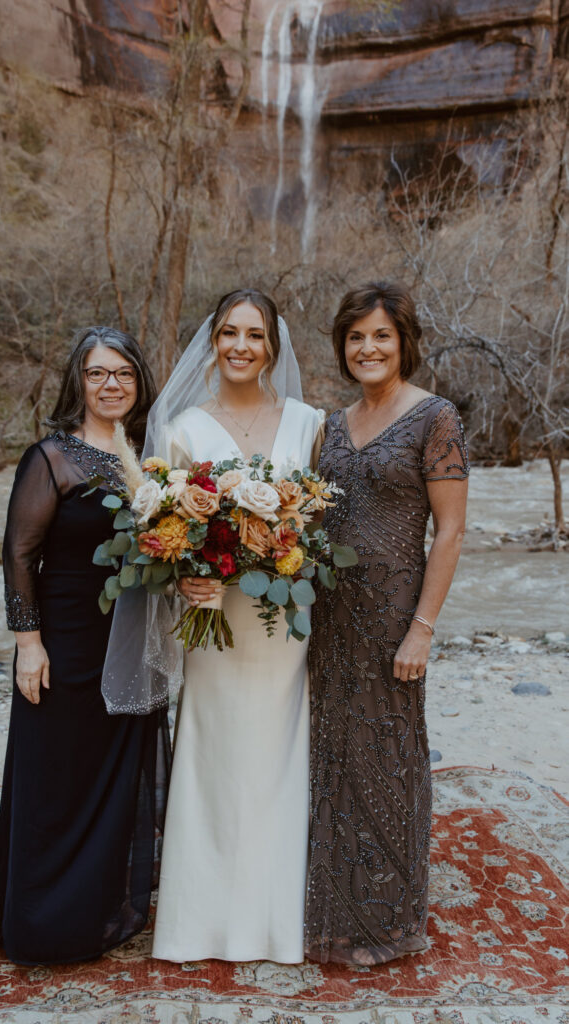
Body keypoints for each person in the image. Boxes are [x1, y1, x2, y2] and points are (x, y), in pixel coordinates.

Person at [104, 289, 324, 963]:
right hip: (212, 619)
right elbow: (159, 533)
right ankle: (195, 924)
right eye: (228, 332)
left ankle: (273, 922)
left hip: (278, 622)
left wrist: (288, 553)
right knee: (214, 754)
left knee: (275, 761)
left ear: (273, 348)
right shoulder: (183, 428)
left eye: (254, 335)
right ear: (213, 341)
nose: (239, 345)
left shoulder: (310, 421)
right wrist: (183, 573)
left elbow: (321, 522)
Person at [0, 326, 169, 965]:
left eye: (122, 373)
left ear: (138, 382)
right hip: (65, 642)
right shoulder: (51, 458)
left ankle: (99, 906)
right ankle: (42, 923)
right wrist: (27, 644)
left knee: (115, 779)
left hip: (131, 642)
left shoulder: (147, 458)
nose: (111, 384)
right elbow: (19, 553)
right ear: (79, 382)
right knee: (56, 776)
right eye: (97, 374)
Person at [304, 281, 469, 966]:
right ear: (342, 347)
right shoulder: (331, 427)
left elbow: (451, 530)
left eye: (380, 335)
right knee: (332, 758)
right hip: (329, 618)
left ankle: (388, 919)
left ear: (403, 342)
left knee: (390, 760)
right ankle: (332, 912)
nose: (367, 348)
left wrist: (422, 628)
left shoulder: (433, 417)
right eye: (355, 337)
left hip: (394, 618)